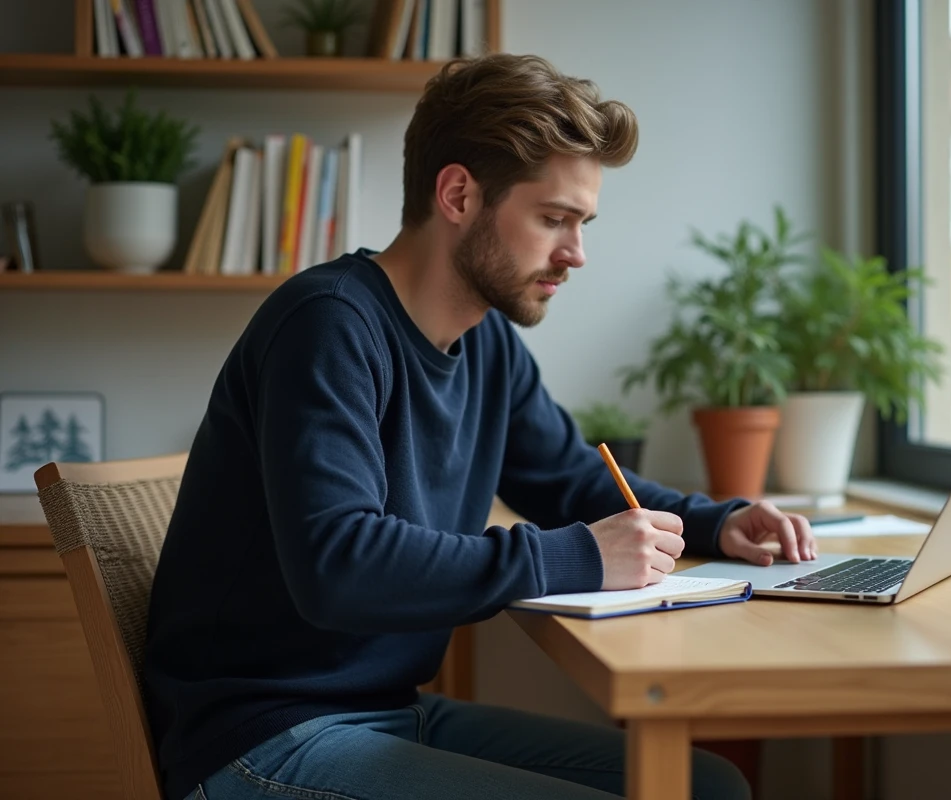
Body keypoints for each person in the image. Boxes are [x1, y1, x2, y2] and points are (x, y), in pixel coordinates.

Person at [143, 52, 818, 800]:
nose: (577, 253)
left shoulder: (487, 343)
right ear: (459, 194)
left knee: (707, 787)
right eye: (554, 218)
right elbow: (339, 567)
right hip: (266, 736)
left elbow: (568, 480)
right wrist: (572, 559)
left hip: (387, 714)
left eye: (582, 222)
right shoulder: (327, 325)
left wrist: (717, 524)